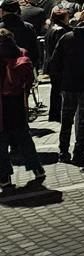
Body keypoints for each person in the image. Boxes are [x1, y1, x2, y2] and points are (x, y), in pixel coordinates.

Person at [48, 8, 84, 164]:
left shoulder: (67, 37)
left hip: (69, 84)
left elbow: (54, 62)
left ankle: (63, 151)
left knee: (66, 120)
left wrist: (61, 79)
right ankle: (79, 151)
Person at [0, 28, 45, 190]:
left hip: (1, 105)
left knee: (1, 142)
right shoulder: (21, 53)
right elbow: (29, 79)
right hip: (17, 102)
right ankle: (37, 168)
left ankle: (4, 176)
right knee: (24, 138)